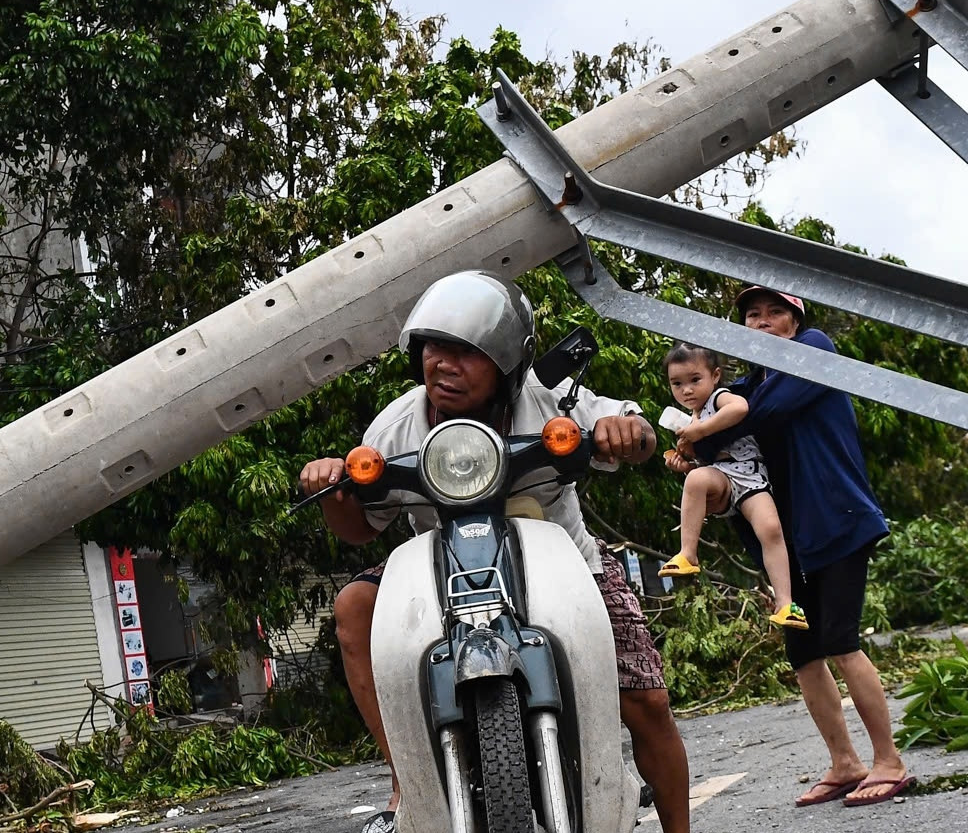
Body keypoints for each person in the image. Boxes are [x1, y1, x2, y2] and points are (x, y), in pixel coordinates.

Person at [299, 270, 691, 833]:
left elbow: (640, 430)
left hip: (565, 563)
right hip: (440, 567)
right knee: (354, 609)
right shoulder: (398, 424)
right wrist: (331, 487)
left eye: (466, 351)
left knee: (648, 703)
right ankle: (408, 781)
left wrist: (623, 431)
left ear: (507, 360)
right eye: (435, 347)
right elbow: (359, 529)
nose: (443, 364)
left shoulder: (549, 400)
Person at [693, 285, 911, 808]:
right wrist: (707, 432)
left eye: (775, 313)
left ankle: (889, 761)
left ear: (795, 321)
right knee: (803, 651)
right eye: (753, 315)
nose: (763, 322)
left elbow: (741, 422)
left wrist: (713, 424)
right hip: (789, 540)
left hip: (837, 520)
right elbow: (709, 442)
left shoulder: (815, 350)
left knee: (840, 638)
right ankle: (845, 762)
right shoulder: (747, 386)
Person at [655, 342, 807, 631]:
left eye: (695, 380)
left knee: (771, 530)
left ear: (714, 376)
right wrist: (684, 463)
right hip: (722, 477)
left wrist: (700, 431)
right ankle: (688, 553)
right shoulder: (691, 420)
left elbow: (741, 408)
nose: (686, 390)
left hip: (750, 476)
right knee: (696, 479)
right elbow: (701, 466)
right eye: (677, 384)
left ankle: (785, 603)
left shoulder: (718, 399)